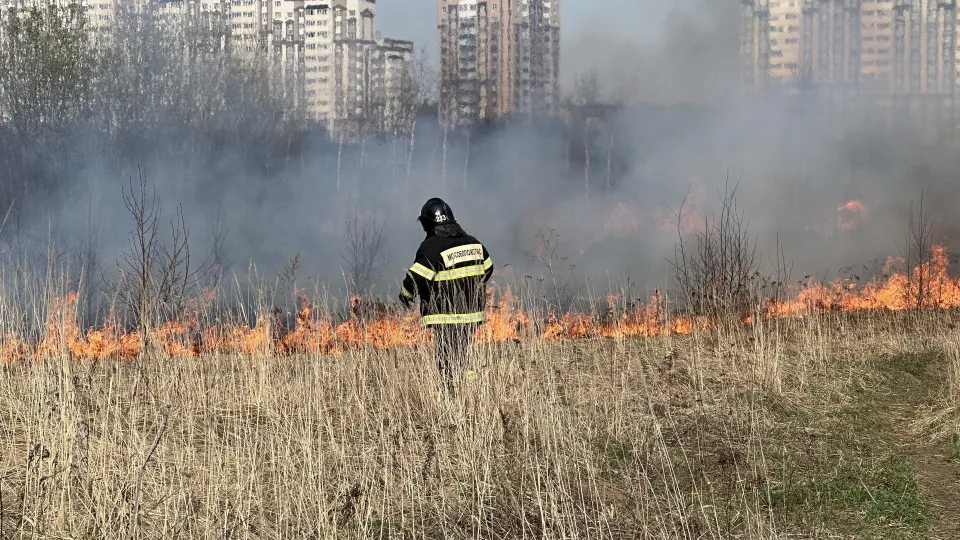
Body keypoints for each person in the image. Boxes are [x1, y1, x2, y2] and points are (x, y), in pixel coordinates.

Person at [399, 198, 493, 387]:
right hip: (472, 314)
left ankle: (451, 390)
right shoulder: (473, 242)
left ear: (427, 223)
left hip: (446, 315)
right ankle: (467, 386)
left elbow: (417, 277)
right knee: (462, 353)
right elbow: (488, 269)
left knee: (447, 357)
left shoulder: (432, 246)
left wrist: (406, 295)